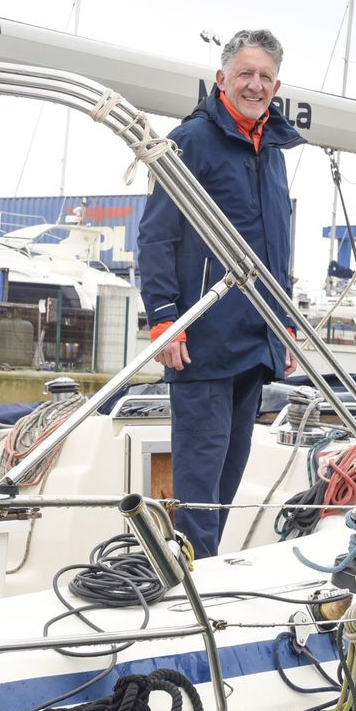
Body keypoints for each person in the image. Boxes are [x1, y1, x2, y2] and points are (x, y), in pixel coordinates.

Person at [139, 29, 305, 559]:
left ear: (275, 85)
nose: (255, 86)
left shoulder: (273, 148)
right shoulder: (191, 141)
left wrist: (283, 321)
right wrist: (164, 318)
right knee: (201, 475)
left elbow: (274, 242)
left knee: (231, 472)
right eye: (245, 75)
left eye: (264, 77)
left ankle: (206, 567)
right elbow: (157, 234)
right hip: (204, 339)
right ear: (221, 79)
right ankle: (195, 578)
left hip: (256, 338)